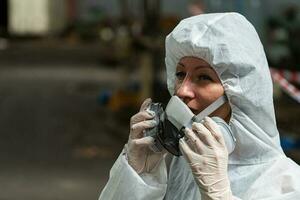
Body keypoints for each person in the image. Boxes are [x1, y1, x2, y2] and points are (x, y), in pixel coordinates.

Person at [99, 12, 300, 199]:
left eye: (203, 77)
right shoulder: (172, 163)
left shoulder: (287, 184)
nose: (181, 91)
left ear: (240, 94)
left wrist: (219, 195)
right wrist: (137, 177)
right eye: (179, 74)